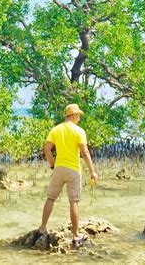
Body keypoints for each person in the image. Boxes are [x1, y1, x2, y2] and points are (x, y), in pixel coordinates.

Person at [38, 103, 99, 246]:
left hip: (58, 169)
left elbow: (47, 150)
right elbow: (85, 153)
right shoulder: (79, 131)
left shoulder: (55, 129)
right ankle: (76, 235)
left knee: (50, 198)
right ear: (73, 115)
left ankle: (42, 228)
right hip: (73, 170)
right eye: (78, 115)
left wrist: (52, 165)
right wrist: (92, 172)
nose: (79, 118)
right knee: (74, 202)